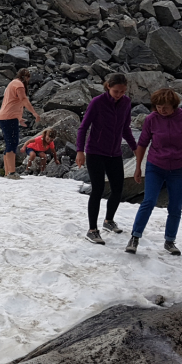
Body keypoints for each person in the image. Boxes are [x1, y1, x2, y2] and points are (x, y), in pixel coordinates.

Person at [125, 89, 182, 255]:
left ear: (173, 105)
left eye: (165, 107)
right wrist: (137, 167)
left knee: (175, 206)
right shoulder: (152, 119)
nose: (161, 110)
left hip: (179, 168)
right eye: (158, 106)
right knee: (149, 201)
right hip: (155, 166)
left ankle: (170, 241)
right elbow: (142, 143)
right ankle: (135, 237)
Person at [76, 73, 138, 245]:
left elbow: (126, 128)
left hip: (114, 153)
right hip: (95, 152)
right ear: (108, 87)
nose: (119, 94)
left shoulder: (125, 103)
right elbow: (83, 128)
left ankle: (108, 221)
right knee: (98, 189)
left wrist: (135, 147)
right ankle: (92, 230)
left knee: (118, 188)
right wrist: (80, 151)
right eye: (116, 91)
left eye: (122, 92)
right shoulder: (97, 102)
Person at [0, 69, 41, 179]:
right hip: (9, 117)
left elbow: (13, 103)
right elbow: (23, 100)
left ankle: (7, 172)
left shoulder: (12, 83)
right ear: (27, 77)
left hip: (5, 117)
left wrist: (19, 118)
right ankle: (12, 173)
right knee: (12, 143)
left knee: (9, 143)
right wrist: (34, 113)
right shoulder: (19, 85)